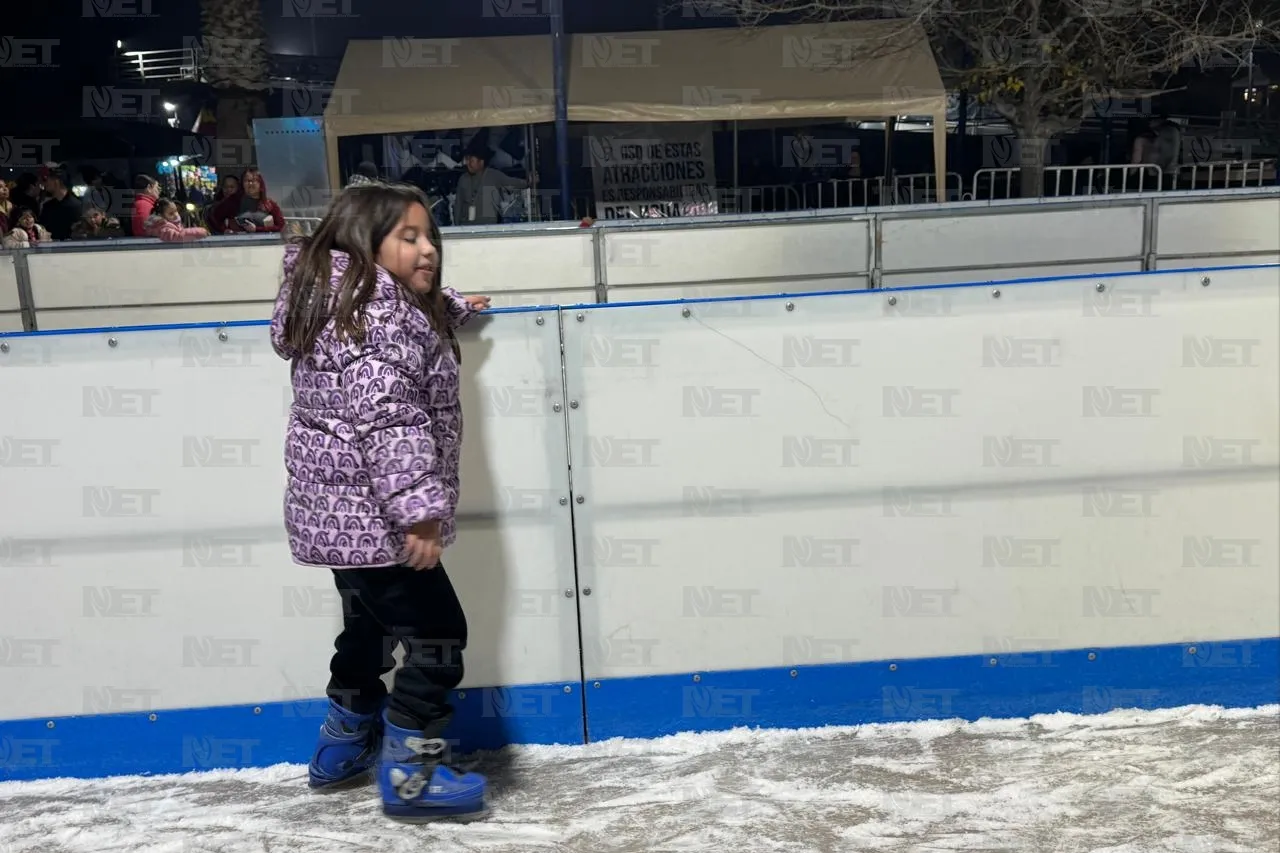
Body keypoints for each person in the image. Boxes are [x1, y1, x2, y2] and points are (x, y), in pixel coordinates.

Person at [269, 182, 492, 822]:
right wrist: (419, 511)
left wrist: (447, 305)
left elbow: (396, 327)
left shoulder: (338, 299)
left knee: (366, 629)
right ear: (366, 245)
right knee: (439, 636)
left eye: (431, 237)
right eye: (409, 238)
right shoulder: (380, 315)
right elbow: (389, 417)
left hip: (338, 518)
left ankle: (339, 749)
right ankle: (412, 774)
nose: (428, 251)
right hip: (379, 516)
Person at [451, 142, 535, 226]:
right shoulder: (463, 179)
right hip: (466, 228)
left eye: (471, 160)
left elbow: (512, 183)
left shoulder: (494, 176)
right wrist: (457, 227)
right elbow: (458, 205)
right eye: (467, 159)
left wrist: (528, 182)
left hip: (488, 228)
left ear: (481, 162)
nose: (468, 163)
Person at [209, 168, 285, 234]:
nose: (250, 184)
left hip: (263, 246)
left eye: (254, 180)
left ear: (260, 184)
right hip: (237, 246)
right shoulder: (233, 201)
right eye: (246, 180)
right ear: (242, 184)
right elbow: (213, 218)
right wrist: (224, 230)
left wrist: (257, 229)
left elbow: (281, 227)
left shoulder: (269, 204)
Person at [37, 165, 83, 240]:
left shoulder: (76, 206)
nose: (44, 184)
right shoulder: (47, 206)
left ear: (56, 181)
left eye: (45, 179)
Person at [143, 197, 210, 242]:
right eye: (171, 213)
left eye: (176, 211)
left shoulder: (172, 224)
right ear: (161, 215)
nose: (176, 215)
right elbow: (178, 236)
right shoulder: (163, 228)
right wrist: (199, 232)